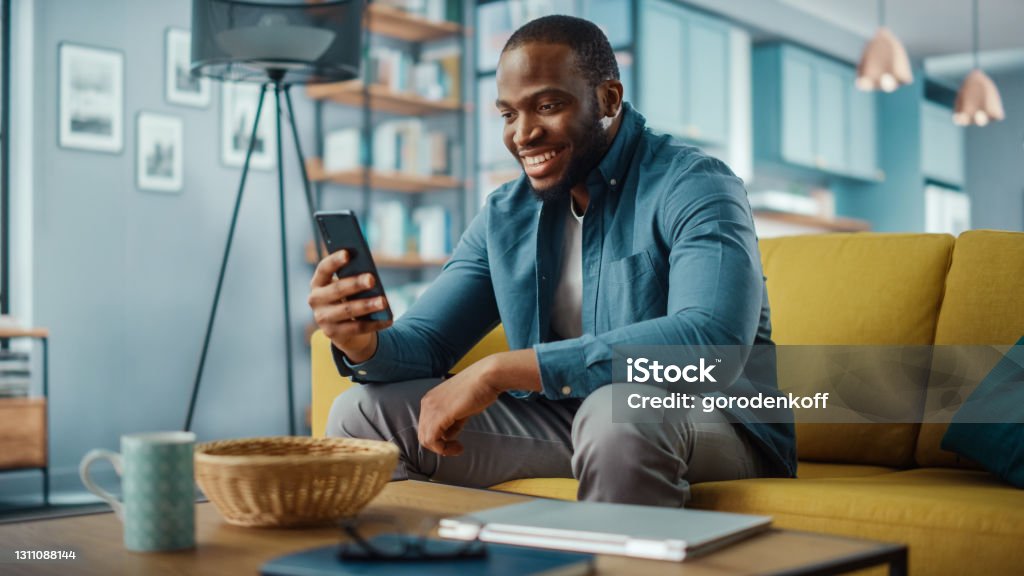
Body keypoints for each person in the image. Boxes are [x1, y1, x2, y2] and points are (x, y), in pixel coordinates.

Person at [308, 15, 796, 507]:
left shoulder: (695, 184)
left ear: (608, 98)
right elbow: (429, 342)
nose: (523, 134)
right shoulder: (506, 213)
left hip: (717, 422)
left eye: (547, 105)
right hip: (570, 419)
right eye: (508, 115)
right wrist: (364, 344)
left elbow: (712, 342)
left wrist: (503, 370)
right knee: (360, 413)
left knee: (615, 413)